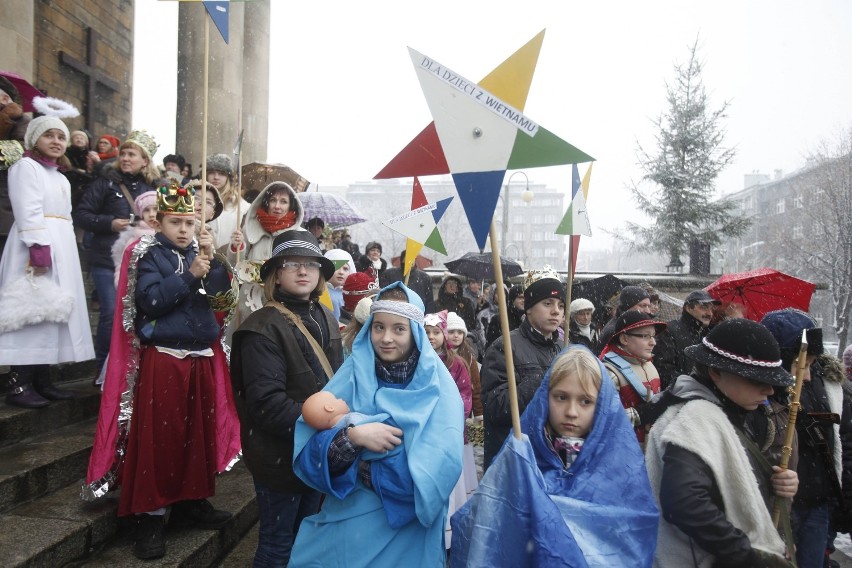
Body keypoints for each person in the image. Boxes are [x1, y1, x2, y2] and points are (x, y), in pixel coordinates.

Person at [85, 182, 237, 560]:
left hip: (201, 356)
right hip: (165, 358)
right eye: (175, 222)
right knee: (161, 440)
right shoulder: (147, 255)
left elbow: (222, 302)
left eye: (189, 222)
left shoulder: (203, 253)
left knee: (197, 435)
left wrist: (214, 263)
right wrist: (189, 276)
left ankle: (191, 501)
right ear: (160, 223)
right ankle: (150, 516)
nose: (183, 229)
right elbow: (150, 303)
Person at [290, 282, 463, 567]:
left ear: (416, 333)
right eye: (378, 327)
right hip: (347, 531)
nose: (386, 338)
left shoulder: (440, 391)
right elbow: (310, 453)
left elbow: (437, 474)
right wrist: (353, 438)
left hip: (407, 537)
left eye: (399, 329)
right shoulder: (352, 376)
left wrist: (364, 468)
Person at [450, 346, 659, 566]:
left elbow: (634, 528)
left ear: (602, 405)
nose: (571, 411)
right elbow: (484, 523)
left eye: (585, 401)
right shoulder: (522, 455)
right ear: (545, 397)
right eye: (561, 397)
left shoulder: (618, 464)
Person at [645, 318, 799, 567]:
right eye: (757, 380)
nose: (769, 390)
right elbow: (684, 504)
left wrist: (772, 482)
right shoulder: (697, 416)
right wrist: (749, 555)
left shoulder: (723, 410)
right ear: (715, 372)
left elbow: (722, 481)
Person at [229, 229, 342, 566]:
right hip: (280, 458)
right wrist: (334, 422)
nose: (303, 271)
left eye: (310, 263)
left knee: (307, 540)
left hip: (318, 452)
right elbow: (267, 406)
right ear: (276, 274)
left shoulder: (326, 317)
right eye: (292, 264)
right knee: (278, 546)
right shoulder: (260, 327)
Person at [0, 114, 94, 407]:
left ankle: (42, 379)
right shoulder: (25, 167)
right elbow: (27, 208)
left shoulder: (60, 176)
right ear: (34, 139)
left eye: (61, 137)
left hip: (61, 246)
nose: (56, 141)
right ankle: (19, 382)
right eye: (48, 135)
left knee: (53, 312)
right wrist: (37, 246)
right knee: (31, 310)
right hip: (35, 246)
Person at [761, 308, 851, 568]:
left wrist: (841, 501)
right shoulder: (758, 396)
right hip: (780, 505)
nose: (809, 375)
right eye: (803, 365)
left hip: (817, 502)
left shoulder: (831, 387)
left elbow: (841, 444)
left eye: (813, 364)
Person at [74, 130, 160, 379]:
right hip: (106, 258)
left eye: (132, 154)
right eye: (123, 153)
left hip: (139, 261)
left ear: (145, 160)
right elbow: (82, 215)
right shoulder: (104, 183)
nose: (125, 158)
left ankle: (130, 368)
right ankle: (103, 369)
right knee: (112, 313)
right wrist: (110, 222)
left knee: (135, 316)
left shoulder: (154, 188)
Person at [482, 266, 564, 469]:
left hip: (553, 457)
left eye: (561, 306)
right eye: (547, 303)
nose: (556, 311)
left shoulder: (564, 348)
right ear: (528, 308)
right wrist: (541, 380)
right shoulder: (505, 347)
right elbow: (495, 407)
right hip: (516, 458)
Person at [227, 181, 304, 328]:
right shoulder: (249, 228)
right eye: (273, 200)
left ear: (291, 206)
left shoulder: (299, 235)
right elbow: (234, 265)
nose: (277, 206)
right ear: (266, 202)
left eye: (283, 201)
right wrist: (238, 246)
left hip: (284, 301)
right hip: (250, 299)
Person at [599, 311, 667, 444]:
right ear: (624, 339)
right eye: (645, 336)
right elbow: (603, 420)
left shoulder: (649, 364)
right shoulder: (609, 372)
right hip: (624, 453)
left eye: (653, 336)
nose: (653, 342)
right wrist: (640, 414)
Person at [653, 289, 721, 388]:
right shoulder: (669, 330)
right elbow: (664, 370)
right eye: (704, 307)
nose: (710, 313)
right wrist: (694, 386)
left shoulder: (706, 335)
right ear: (688, 308)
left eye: (711, 309)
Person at [205, 153, 249, 251]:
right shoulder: (197, 201)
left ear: (228, 177)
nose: (216, 177)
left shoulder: (242, 206)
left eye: (221, 173)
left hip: (229, 259)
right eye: (212, 172)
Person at [447, 311, 483, 419]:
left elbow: (476, 388)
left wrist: (479, 414)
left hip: (464, 408)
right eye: (451, 331)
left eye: (460, 332)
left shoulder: (469, 357)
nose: (456, 335)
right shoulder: (439, 355)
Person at [597, 285, 653, 352]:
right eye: (643, 306)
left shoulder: (623, 325)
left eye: (648, 306)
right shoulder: (615, 330)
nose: (648, 311)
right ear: (628, 306)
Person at [379, 249, 435, 313]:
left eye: (413, 258)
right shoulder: (389, 274)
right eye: (408, 258)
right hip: (395, 312)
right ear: (402, 260)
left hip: (417, 313)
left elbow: (429, 302)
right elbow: (383, 296)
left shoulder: (425, 278)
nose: (411, 261)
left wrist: (428, 316)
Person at [484, 284, 524, 350]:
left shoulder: (529, 319)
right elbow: (491, 347)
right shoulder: (500, 319)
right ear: (512, 299)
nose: (523, 300)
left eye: (525, 298)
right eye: (520, 297)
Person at [323, 248, 355, 321]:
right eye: (336, 267)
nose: (341, 272)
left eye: (345, 269)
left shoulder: (350, 294)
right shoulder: (318, 290)